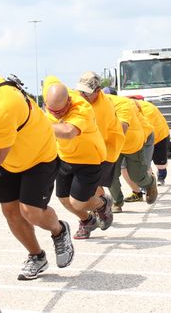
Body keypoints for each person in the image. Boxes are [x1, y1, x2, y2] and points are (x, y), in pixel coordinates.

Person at [0, 61, 74, 281]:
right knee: (11, 211)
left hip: (37, 156)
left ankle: (59, 230)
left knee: (31, 211)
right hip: (7, 158)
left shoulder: (3, 106)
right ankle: (36, 256)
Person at [42, 77, 108, 239]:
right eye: (52, 111)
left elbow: (68, 132)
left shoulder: (82, 108)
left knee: (77, 202)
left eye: (60, 111)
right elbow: (49, 80)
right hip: (65, 156)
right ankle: (87, 221)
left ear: (69, 101)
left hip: (88, 158)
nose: (57, 115)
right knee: (64, 199)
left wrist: (38, 125)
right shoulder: (51, 93)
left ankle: (102, 204)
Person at [74, 71, 123, 222]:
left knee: (91, 184)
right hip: (88, 147)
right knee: (91, 185)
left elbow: (95, 137)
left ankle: (101, 206)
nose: (82, 95)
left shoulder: (103, 108)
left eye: (87, 93)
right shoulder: (79, 97)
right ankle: (102, 205)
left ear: (98, 91)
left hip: (106, 148)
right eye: (81, 90)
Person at [102, 90, 159, 207]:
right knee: (110, 176)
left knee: (137, 176)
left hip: (133, 142)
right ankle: (117, 202)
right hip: (114, 146)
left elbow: (123, 128)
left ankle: (150, 182)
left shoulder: (124, 104)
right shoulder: (92, 106)